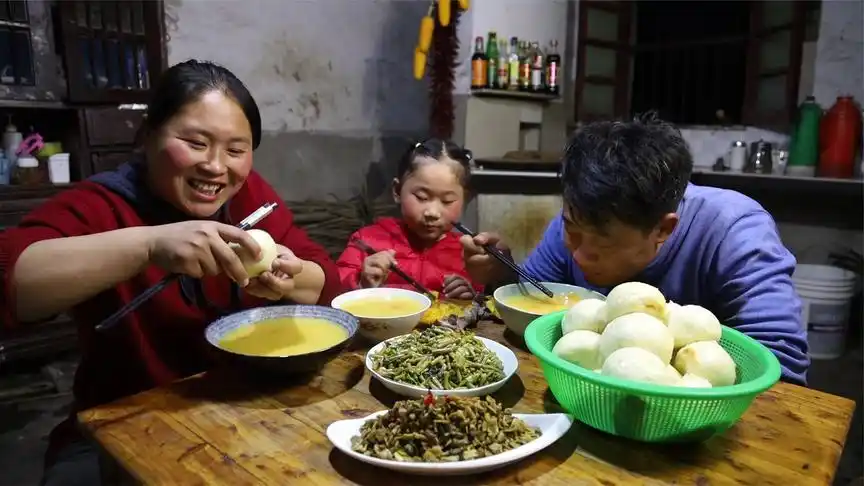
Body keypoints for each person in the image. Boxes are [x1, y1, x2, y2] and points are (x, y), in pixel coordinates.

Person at [0, 60, 344, 486]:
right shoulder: (101, 205)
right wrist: (148, 245)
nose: (217, 167)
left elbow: (329, 286)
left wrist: (294, 278)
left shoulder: (250, 197)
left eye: (236, 150)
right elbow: (12, 283)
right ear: (147, 136)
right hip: (126, 421)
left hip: (242, 411)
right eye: (195, 143)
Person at [461, 113, 809, 385]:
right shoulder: (577, 222)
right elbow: (536, 304)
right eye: (572, 229)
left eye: (602, 242)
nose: (579, 256)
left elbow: (779, 365)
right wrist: (502, 273)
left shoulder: (735, 231)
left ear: (663, 229)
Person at [336, 139, 482, 299]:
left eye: (447, 201)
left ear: (464, 200)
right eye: (422, 197)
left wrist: (469, 296)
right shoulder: (366, 240)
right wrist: (362, 283)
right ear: (397, 191)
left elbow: (482, 297)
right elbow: (336, 287)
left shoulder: (468, 254)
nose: (432, 212)